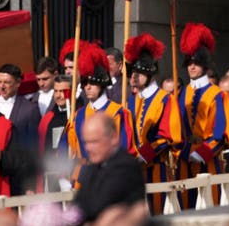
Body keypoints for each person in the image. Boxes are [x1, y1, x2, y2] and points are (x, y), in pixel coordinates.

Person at [178, 23, 229, 207]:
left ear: (204, 65)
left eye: (196, 63)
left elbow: (223, 132)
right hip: (185, 162)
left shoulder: (218, 95)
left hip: (209, 162)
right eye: (189, 63)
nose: (192, 66)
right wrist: (184, 152)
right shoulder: (182, 94)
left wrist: (202, 153)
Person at [63, 42, 136, 185]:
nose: (88, 87)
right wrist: (65, 176)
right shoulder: (77, 115)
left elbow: (124, 147)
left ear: (102, 84)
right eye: (85, 83)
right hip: (81, 181)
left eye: (93, 83)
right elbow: (66, 146)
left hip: (110, 179)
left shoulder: (119, 113)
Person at [124, 33, 182, 214]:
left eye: (138, 72)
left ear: (149, 72)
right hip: (134, 171)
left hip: (157, 168)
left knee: (158, 216)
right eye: (132, 72)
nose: (133, 76)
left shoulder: (165, 99)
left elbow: (167, 136)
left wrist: (143, 154)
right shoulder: (131, 101)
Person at [73, 113, 145, 223]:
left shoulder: (125, 166)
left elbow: (99, 206)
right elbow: (79, 205)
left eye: (94, 141)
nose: (88, 148)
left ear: (114, 138)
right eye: (86, 142)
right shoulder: (93, 167)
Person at [0, 63, 40, 150]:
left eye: (7, 82)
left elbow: (33, 144)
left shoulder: (29, 109)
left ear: (18, 83)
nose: (2, 86)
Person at [38, 75, 71, 157]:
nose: (58, 95)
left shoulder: (80, 114)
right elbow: (41, 150)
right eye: (56, 91)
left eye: (63, 91)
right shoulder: (47, 119)